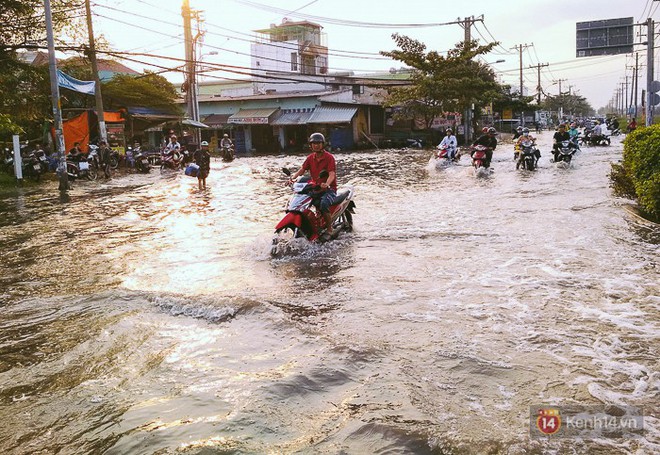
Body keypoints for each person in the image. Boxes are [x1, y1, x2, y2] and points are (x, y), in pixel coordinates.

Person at [288, 132, 337, 237]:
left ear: (323, 144)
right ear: (310, 145)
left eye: (318, 143)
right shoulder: (310, 158)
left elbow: (332, 174)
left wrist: (327, 184)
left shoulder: (329, 158)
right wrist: (292, 178)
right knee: (303, 202)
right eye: (314, 143)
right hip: (316, 188)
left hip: (329, 189)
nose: (316, 145)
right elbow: (302, 170)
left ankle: (329, 228)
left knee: (323, 203)